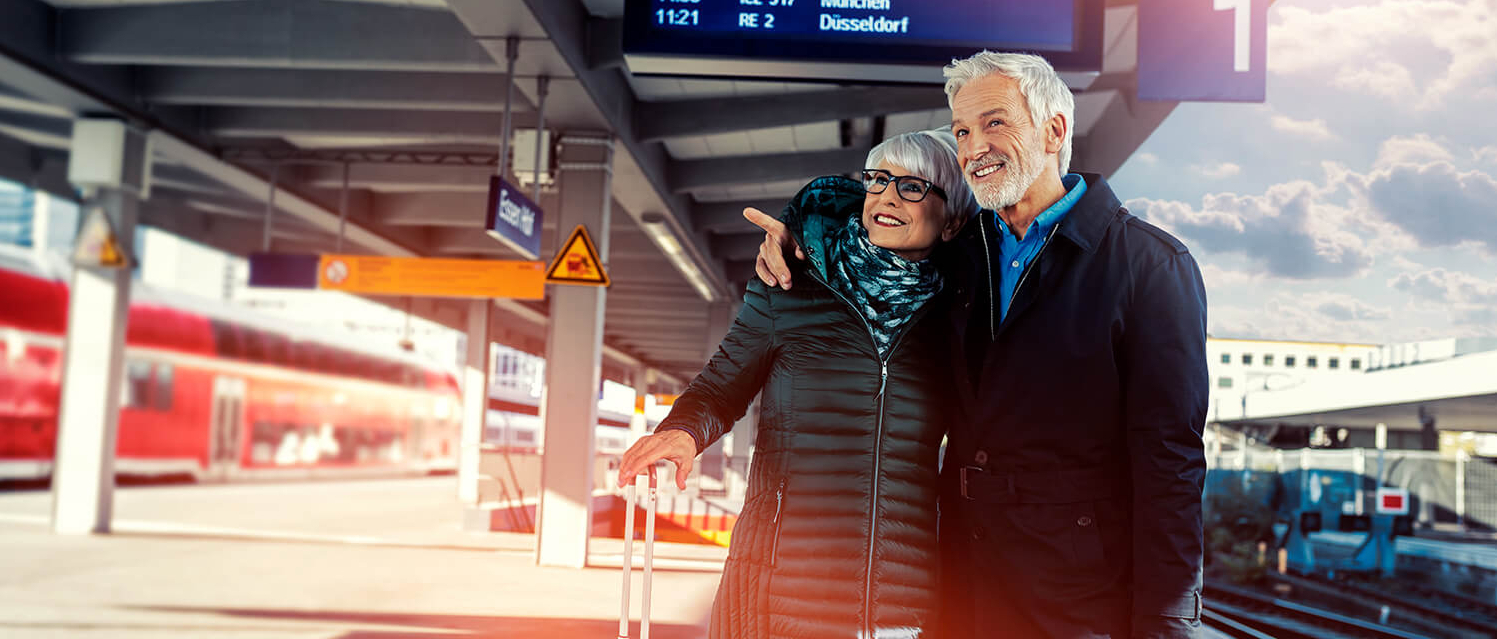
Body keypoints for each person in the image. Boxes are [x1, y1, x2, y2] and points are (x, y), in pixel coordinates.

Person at [747, 51, 1210, 638]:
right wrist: (798, 238)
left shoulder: (1150, 267)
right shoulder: (959, 253)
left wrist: (1167, 622)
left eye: (995, 123)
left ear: (1054, 130)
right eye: (963, 130)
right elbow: (880, 225)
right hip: (959, 589)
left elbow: (1170, 462)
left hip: (1077, 604)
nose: (973, 147)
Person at [616, 129, 979, 639]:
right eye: (878, 181)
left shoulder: (957, 318)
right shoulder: (790, 284)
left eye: (914, 186)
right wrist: (683, 432)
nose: (887, 197)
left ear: (953, 220)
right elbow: (723, 382)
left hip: (905, 599)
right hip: (780, 584)